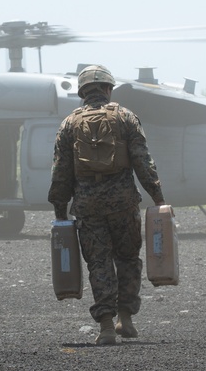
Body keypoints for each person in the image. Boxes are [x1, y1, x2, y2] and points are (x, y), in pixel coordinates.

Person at [48, 64, 166, 345]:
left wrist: (59, 210)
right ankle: (125, 318)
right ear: (108, 89)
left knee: (98, 263)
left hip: (88, 207)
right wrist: (158, 197)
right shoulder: (125, 117)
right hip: (123, 202)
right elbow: (143, 161)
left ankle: (106, 327)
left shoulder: (69, 124)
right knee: (127, 259)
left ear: (83, 92)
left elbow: (60, 172)